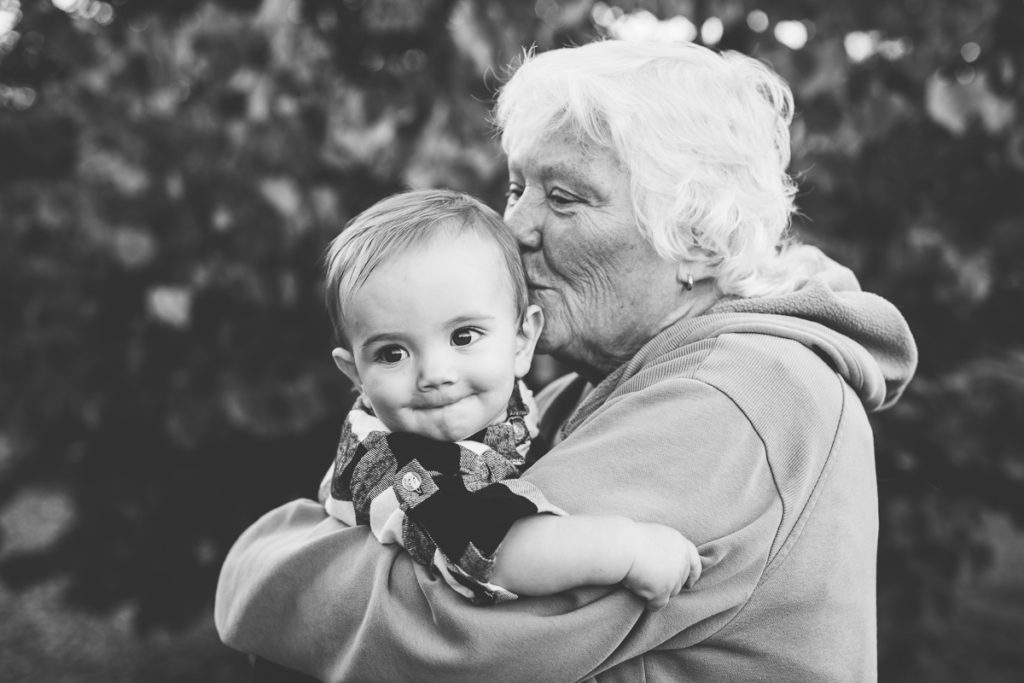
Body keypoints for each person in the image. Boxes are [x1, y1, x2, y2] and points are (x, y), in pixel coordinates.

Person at [216, 40, 918, 682]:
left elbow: (449, 631)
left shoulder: (732, 395)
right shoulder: (582, 390)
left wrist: (264, 563)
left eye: (563, 197)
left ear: (699, 240)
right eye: (516, 188)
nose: (515, 226)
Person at [315, 189, 701, 607]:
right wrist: (627, 549)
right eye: (392, 354)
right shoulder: (400, 463)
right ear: (356, 375)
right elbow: (496, 550)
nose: (435, 375)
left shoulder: (504, 401)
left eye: (463, 336)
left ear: (521, 341)